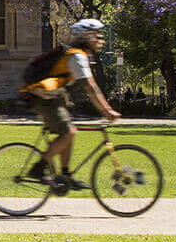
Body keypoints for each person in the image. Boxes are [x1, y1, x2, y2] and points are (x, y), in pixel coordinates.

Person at [18, 18, 122, 191]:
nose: (101, 40)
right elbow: (91, 87)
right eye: (98, 36)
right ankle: (38, 168)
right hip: (43, 97)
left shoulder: (78, 56)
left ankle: (64, 177)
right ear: (88, 37)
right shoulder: (77, 57)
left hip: (51, 97)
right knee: (69, 133)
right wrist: (107, 111)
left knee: (68, 133)